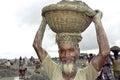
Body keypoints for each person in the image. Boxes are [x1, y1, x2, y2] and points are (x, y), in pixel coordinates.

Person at [33, 10, 110, 80]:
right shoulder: (53, 70)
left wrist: (97, 21)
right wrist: (44, 21)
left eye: (71, 50)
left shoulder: (86, 74)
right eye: (62, 51)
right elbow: (36, 45)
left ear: (78, 51)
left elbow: (104, 53)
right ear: (59, 53)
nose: (66, 55)